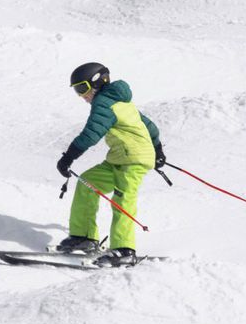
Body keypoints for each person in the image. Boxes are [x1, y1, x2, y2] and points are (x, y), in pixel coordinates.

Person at [53, 62, 166, 267]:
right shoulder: (120, 102)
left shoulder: (105, 102)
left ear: (97, 83)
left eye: (82, 88)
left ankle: (124, 250)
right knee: (88, 183)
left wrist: (68, 157)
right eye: (77, 91)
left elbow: (92, 133)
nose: (81, 96)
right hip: (119, 158)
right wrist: (157, 149)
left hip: (133, 160)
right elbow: (148, 125)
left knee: (123, 200)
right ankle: (85, 237)